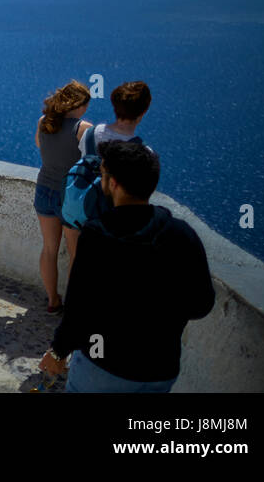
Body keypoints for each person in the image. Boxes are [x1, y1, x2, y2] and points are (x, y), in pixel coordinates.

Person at [38, 140, 214, 392]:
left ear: (114, 184)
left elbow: (79, 309)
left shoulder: (97, 235)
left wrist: (57, 353)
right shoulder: (181, 234)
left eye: (104, 174)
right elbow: (202, 304)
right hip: (159, 369)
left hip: (103, 366)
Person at [62, 80, 153, 266]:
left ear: (115, 106)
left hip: (79, 210)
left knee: (76, 264)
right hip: (110, 221)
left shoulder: (90, 134)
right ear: (143, 112)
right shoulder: (144, 153)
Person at [34, 80, 93, 313]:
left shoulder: (44, 122)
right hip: (70, 195)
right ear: (79, 105)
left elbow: (41, 146)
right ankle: (73, 306)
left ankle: (52, 300)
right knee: (75, 255)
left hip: (43, 189)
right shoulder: (83, 129)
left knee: (49, 249)